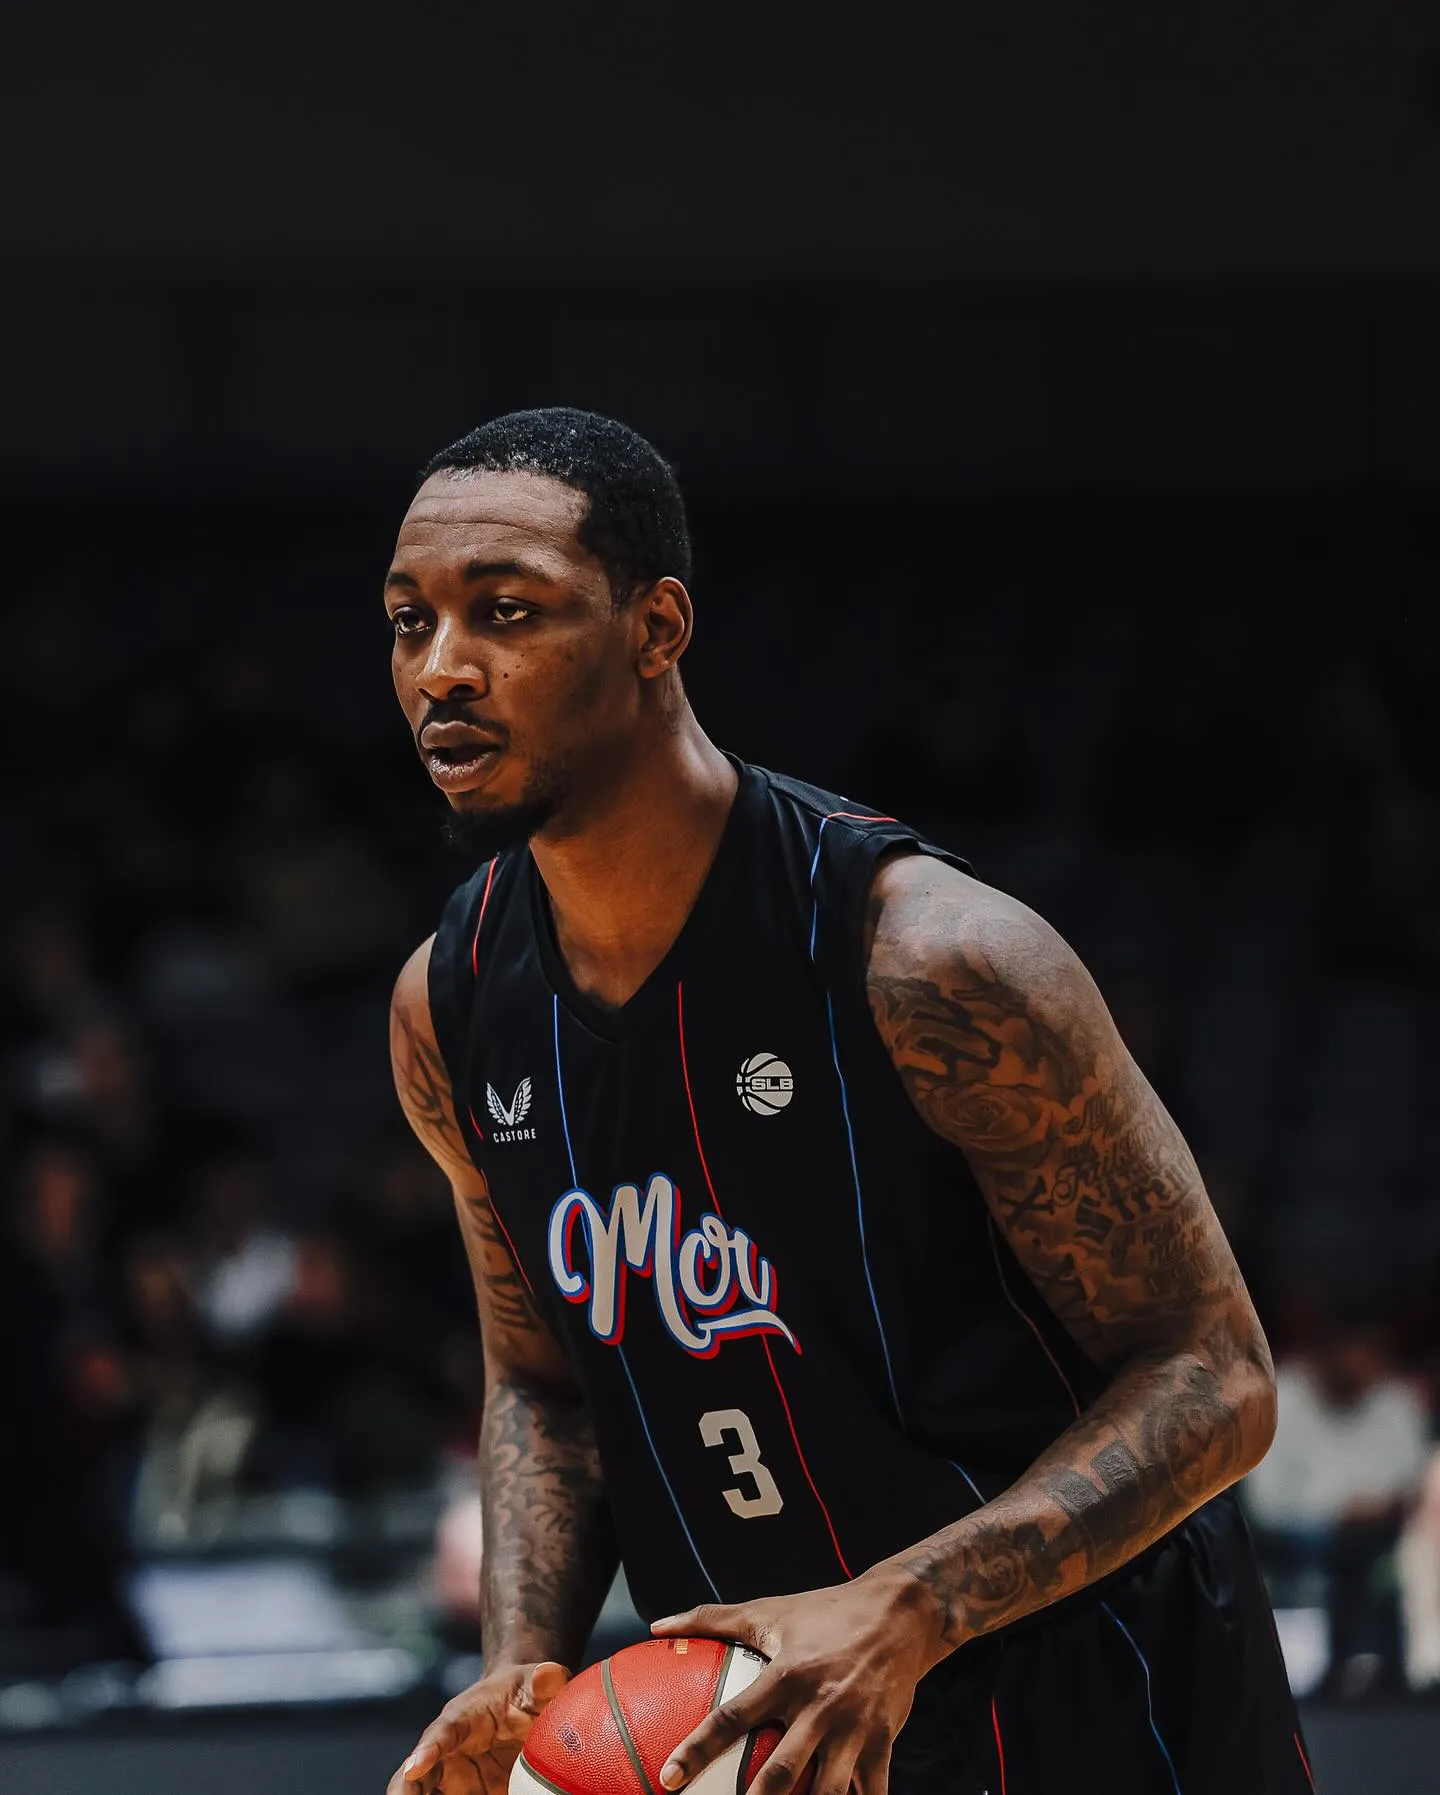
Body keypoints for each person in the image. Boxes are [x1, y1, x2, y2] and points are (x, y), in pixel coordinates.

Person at [384, 410, 1311, 1795]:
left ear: (656, 627)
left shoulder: (936, 962)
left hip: (1100, 1715)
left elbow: (1217, 1376)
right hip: (772, 1740)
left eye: (505, 611)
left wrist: (912, 1606)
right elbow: (544, 1387)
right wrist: (523, 1664)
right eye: (410, 621)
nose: (443, 667)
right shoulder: (450, 1004)